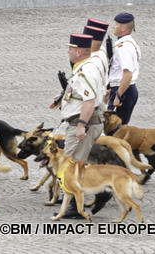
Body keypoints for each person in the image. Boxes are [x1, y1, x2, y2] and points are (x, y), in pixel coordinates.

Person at [51, 33, 104, 219]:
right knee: (78, 163)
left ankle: (75, 207)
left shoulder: (85, 70)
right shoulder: (87, 66)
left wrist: (81, 125)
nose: (68, 51)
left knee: (71, 165)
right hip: (87, 121)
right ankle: (100, 192)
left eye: (71, 49)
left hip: (83, 124)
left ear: (79, 51)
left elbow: (89, 100)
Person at [108, 12, 141, 124]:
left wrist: (118, 95)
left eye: (116, 24)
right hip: (125, 89)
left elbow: (128, 74)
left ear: (123, 28)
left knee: (116, 129)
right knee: (117, 127)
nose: (114, 26)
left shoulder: (124, 47)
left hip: (123, 90)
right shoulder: (128, 43)